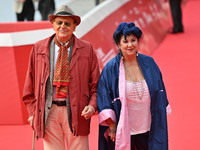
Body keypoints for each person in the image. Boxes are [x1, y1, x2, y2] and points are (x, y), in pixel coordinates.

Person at [22, 5, 100, 150]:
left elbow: (96, 85)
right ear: (53, 25)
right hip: (48, 112)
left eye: (67, 23)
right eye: (59, 23)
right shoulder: (38, 49)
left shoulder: (87, 49)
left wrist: (92, 105)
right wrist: (33, 113)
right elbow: (29, 85)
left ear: (74, 27)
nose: (63, 26)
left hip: (78, 113)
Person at [97, 22, 171, 150]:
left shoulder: (149, 63)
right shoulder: (111, 69)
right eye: (125, 42)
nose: (130, 45)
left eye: (133, 40)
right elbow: (104, 99)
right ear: (119, 45)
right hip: (125, 129)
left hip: (149, 127)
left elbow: (160, 91)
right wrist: (112, 127)